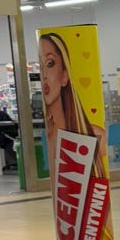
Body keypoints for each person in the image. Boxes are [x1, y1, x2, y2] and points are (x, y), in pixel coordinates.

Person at [38, 32, 106, 179]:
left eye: (50, 64)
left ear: (64, 76)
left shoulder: (94, 135)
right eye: (40, 65)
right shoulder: (49, 139)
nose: (43, 75)